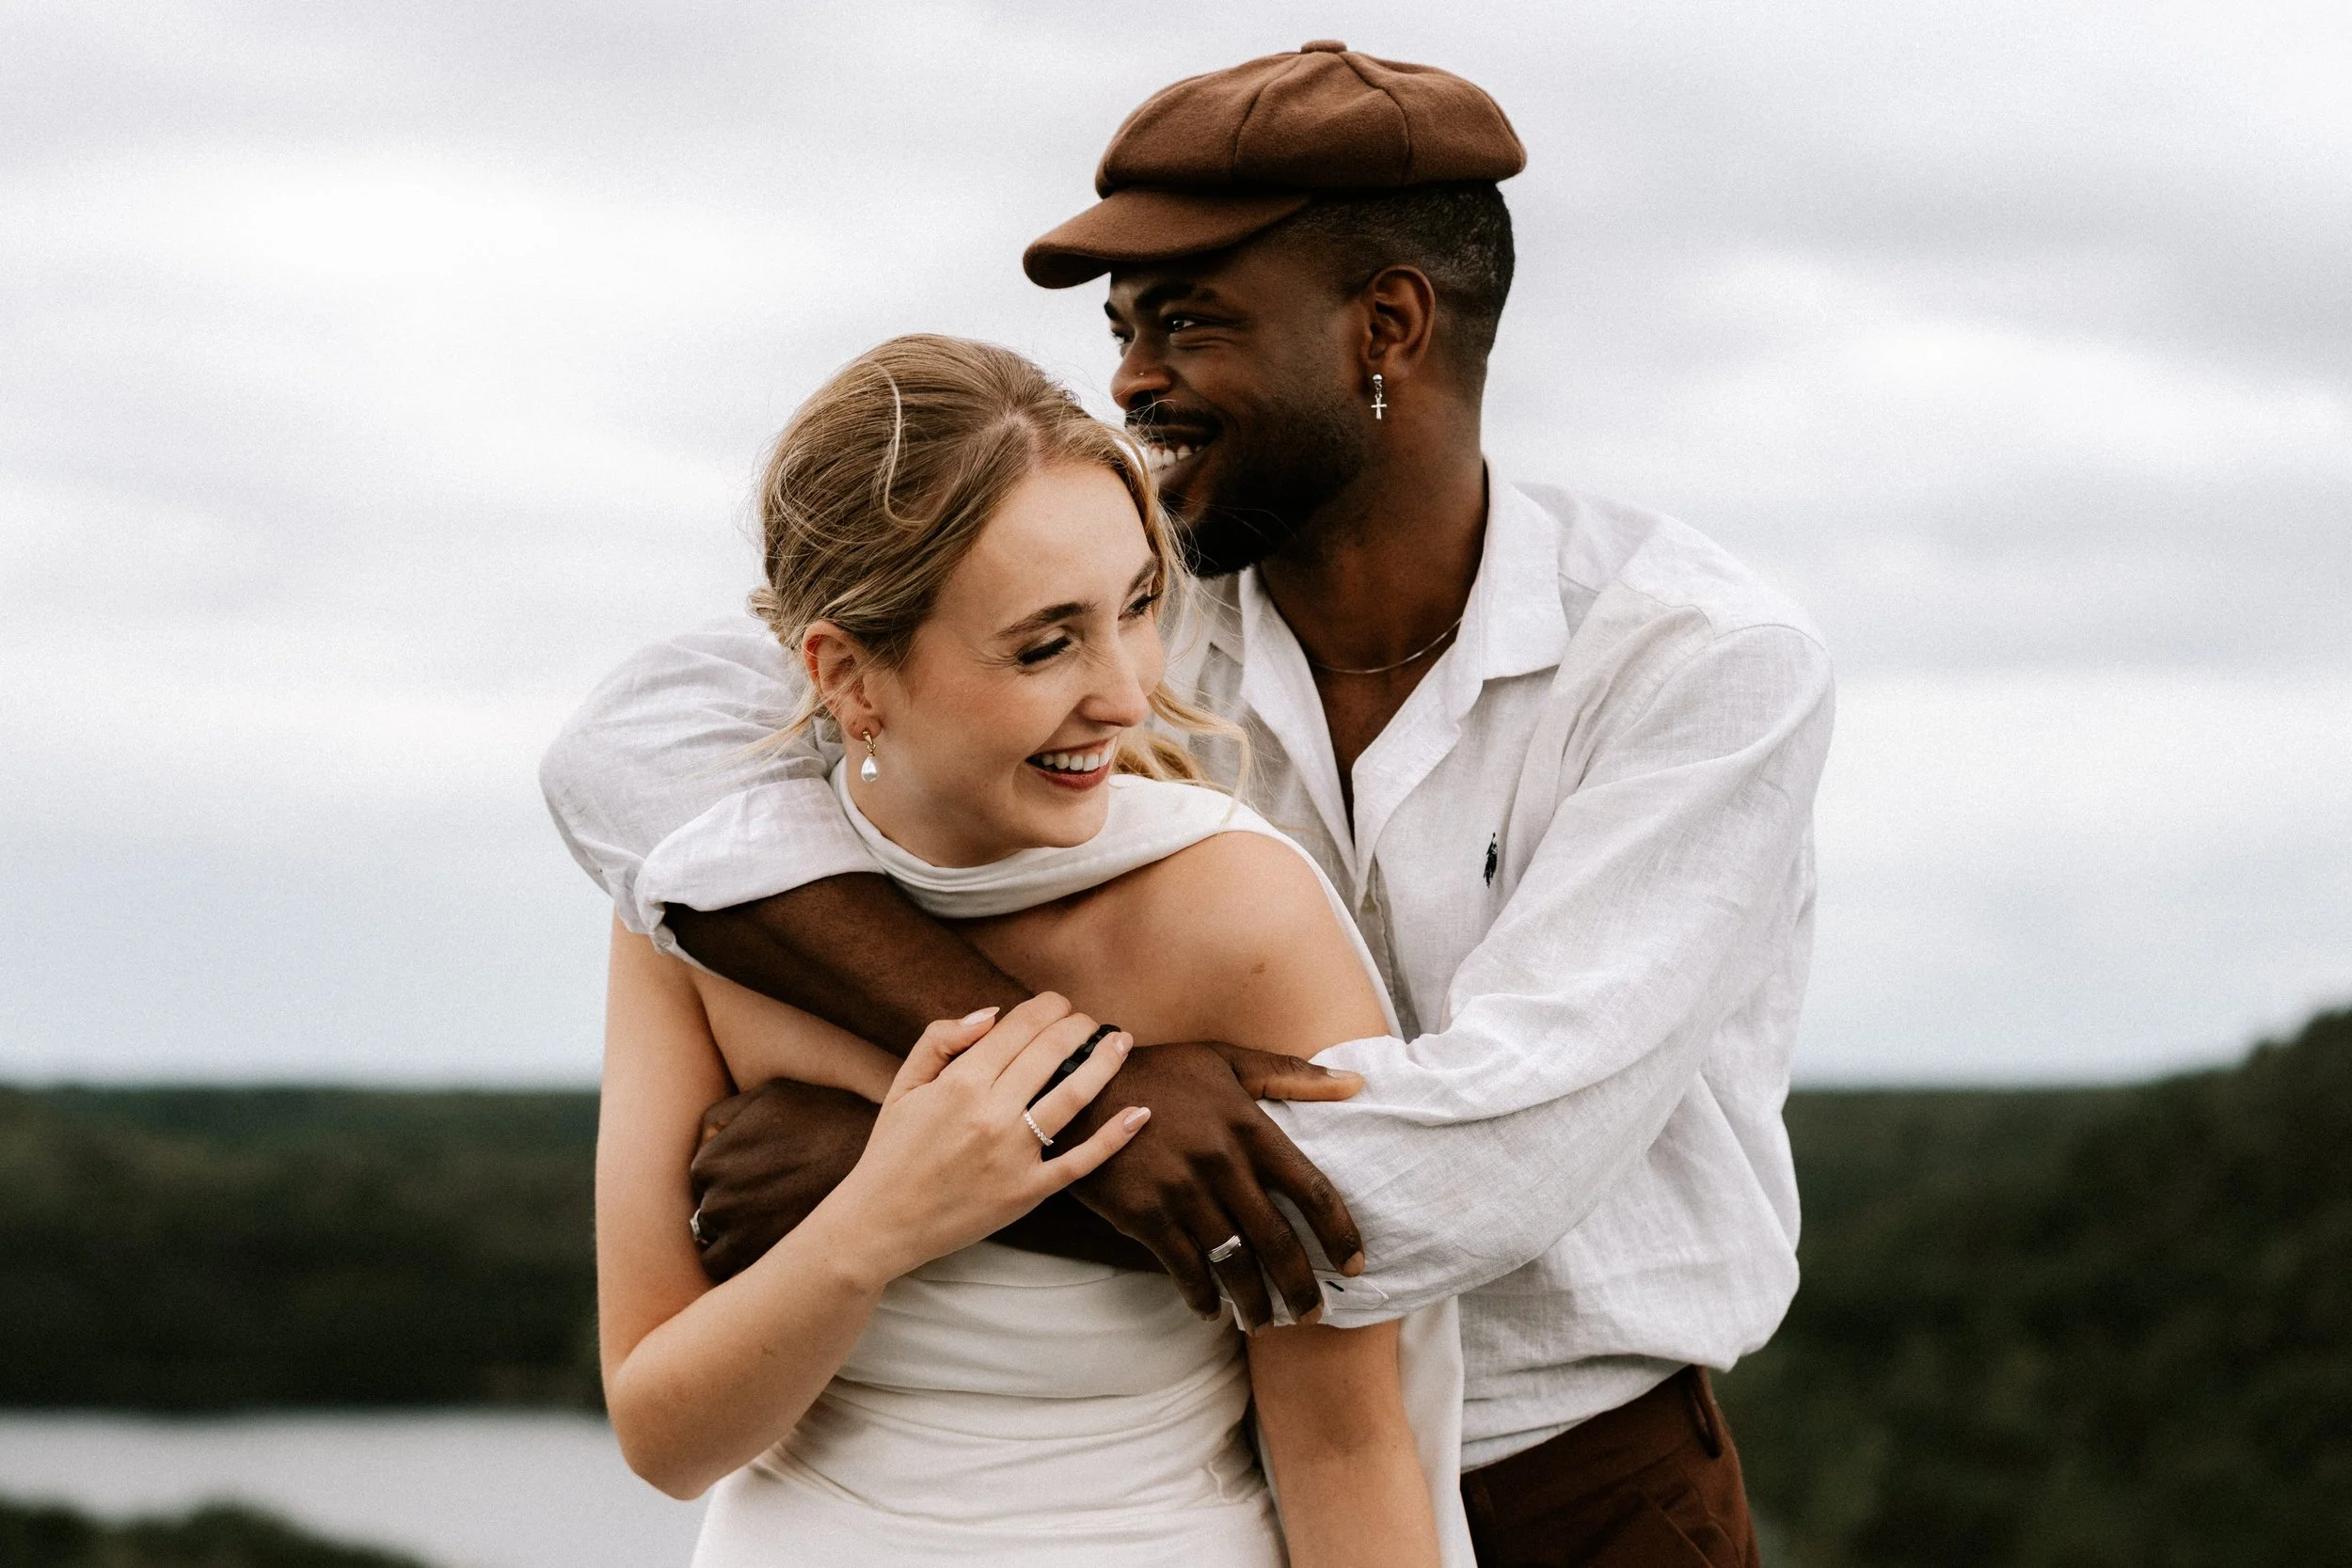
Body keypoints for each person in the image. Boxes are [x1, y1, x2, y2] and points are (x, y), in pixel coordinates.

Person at [546, 42, 1834, 1568]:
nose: (1134, 380)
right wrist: (1026, 1100)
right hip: (1194, 1476)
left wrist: (895, 1161)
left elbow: (1474, 1182)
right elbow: (625, 749)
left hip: (1571, 1485)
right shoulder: (1127, 601)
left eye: (1188, 323)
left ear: (1389, 328)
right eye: (1121, 329)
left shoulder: (1698, 665)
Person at [594, 334, 1469, 1565]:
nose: (1127, 692)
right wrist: (878, 1217)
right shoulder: (708, 911)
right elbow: (665, 1437)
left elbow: (1344, 1445)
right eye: (1046, 641)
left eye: (1138, 608)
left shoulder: (1242, 918)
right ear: (849, 674)